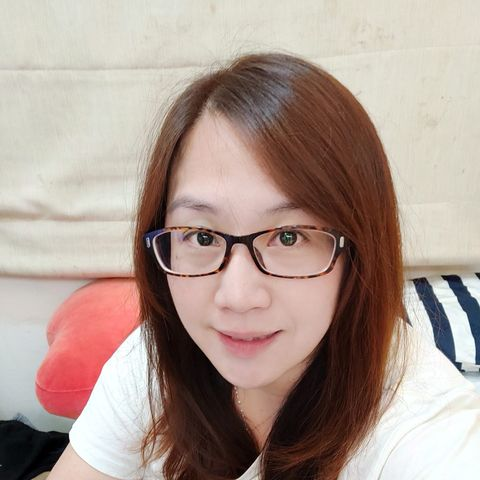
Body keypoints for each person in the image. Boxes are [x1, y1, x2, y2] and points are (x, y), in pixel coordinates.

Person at [49, 52, 480, 480]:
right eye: (202, 236)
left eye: (288, 236)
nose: (237, 297)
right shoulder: (157, 357)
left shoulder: (424, 436)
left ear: (358, 252)